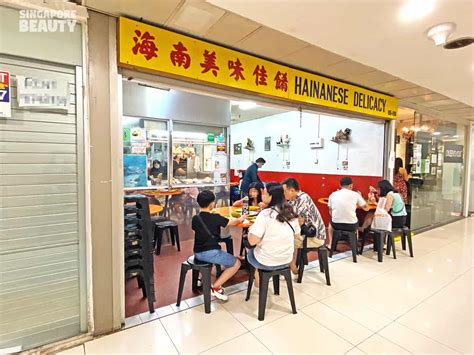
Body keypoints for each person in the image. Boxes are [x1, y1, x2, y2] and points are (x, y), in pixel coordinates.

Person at [192, 190, 246, 301]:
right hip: (211, 253)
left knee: (215, 256)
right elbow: (233, 222)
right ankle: (216, 287)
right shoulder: (216, 217)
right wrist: (241, 218)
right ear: (212, 204)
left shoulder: (195, 218)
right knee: (236, 263)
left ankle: (202, 278)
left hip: (197, 253)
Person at [247, 183, 300, 286]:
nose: (262, 195)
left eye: (264, 193)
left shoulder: (265, 214)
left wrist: (250, 230)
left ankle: (258, 283)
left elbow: (252, 241)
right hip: (286, 259)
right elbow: (297, 235)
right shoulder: (291, 212)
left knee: (250, 251)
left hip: (267, 261)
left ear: (271, 196)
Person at [282, 178, 326, 274]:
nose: (283, 194)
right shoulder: (293, 199)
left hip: (315, 236)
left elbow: (300, 222)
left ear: (292, 190)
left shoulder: (303, 199)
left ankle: (290, 267)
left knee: (283, 241)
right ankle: (289, 266)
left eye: (284, 191)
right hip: (306, 233)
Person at [327, 177, 369, 247]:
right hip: (351, 226)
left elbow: (330, 211)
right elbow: (366, 208)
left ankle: (331, 244)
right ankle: (354, 245)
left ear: (340, 185)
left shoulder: (333, 194)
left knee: (330, 224)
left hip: (336, 225)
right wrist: (361, 198)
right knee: (355, 222)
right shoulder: (355, 194)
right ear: (351, 185)